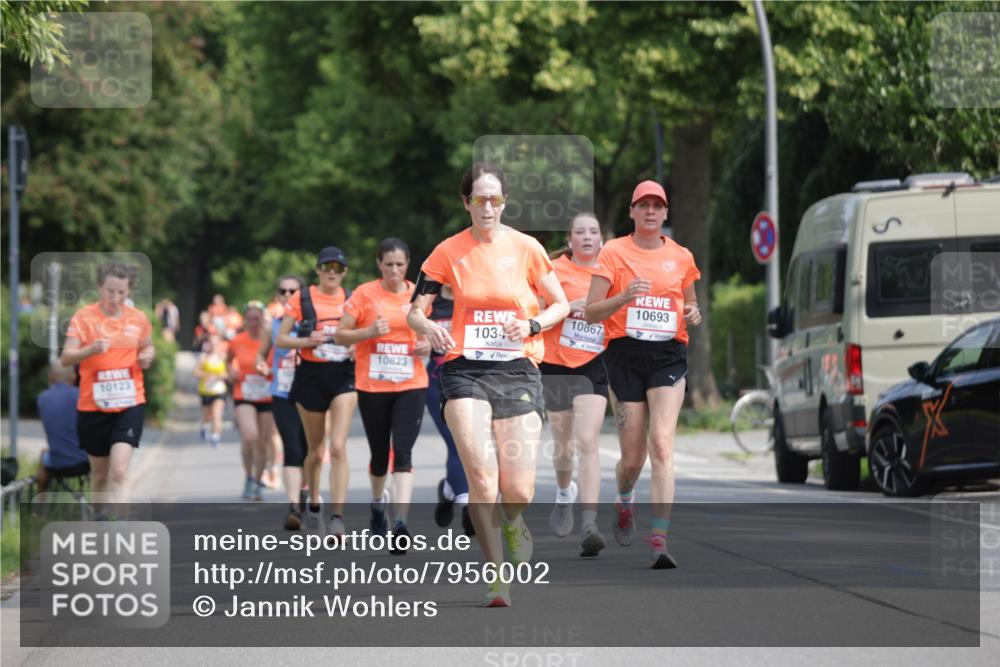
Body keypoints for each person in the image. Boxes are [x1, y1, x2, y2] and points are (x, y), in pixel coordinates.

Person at [407, 163, 570, 607]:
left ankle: (514, 519)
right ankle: (497, 577)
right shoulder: (447, 252)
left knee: (518, 489)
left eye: (495, 199)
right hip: (463, 369)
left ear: (505, 203)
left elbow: (562, 303)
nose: (488, 206)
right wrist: (428, 328)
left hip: (516, 368)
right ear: (466, 203)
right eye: (479, 199)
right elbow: (413, 310)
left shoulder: (527, 248)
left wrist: (533, 324)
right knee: (482, 476)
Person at [584, 180, 702, 569]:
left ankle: (659, 540)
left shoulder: (682, 256)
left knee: (662, 445)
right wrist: (623, 297)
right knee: (632, 459)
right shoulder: (613, 252)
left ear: (666, 213)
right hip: (624, 355)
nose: (651, 211)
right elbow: (591, 310)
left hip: (668, 355)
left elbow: (691, 305)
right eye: (643, 205)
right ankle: (624, 498)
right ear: (632, 212)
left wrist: (694, 313)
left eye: (658, 205)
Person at [334, 238, 431, 554]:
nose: (394, 270)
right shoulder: (364, 294)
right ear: (379, 264)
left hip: (411, 384)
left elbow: (429, 332)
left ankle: (400, 523)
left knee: (402, 453)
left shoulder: (418, 295)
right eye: (388, 264)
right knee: (379, 456)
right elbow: (339, 335)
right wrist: (367, 333)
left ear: (408, 265)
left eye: (400, 264)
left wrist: (427, 345)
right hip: (373, 386)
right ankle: (378, 504)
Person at [539, 213, 609, 556]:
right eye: (579, 232)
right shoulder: (554, 271)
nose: (586, 237)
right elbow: (536, 309)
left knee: (587, 440)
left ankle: (590, 523)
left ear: (601, 239)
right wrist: (568, 307)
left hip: (595, 363)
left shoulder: (610, 271)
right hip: (557, 363)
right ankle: (564, 493)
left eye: (592, 232)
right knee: (563, 443)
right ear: (569, 240)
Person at [60, 262, 155, 507]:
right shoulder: (84, 317)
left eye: (121, 292)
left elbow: (147, 346)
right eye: (110, 291)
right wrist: (90, 349)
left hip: (130, 403)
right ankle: (100, 522)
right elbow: (66, 357)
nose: (115, 297)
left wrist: (147, 356)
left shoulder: (138, 318)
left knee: (120, 471)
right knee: (100, 475)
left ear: (129, 291)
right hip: (93, 406)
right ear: (99, 287)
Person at [277, 247, 357, 537]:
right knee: (316, 450)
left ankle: (337, 517)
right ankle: (313, 503)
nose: (332, 272)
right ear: (318, 270)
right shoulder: (303, 297)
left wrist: (355, 345)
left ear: (344, 272)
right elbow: (281, 339)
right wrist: (306, 340)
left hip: (343, 376)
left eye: (337, 267)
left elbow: (362, 335)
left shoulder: (352, 299)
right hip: (311, 376)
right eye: (327, 267)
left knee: (337, 446)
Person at [256, 275, 309, 530]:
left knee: (309, 449)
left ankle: (305, 492)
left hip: (311, 394)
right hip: (282, 393)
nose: (287, 295)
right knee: (291, 448)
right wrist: (261, 362)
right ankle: (293, 508)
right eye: (283, 291)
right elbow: (262, 353)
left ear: (301, 294)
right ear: (277, 295)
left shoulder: (310, 323)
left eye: (293, 291)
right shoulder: (273, 326)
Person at [427, 285, 475, 537]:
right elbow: (413, 331)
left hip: (470, 377)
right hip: (437, 379)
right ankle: (466, 504)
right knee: (455, 441)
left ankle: (448, 489)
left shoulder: (472, 299)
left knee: (471, 443)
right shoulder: (429, 304)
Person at [228, 301, 275, 501]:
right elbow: (227, 360)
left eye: (258, 319)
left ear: (263, 320)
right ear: (245, 320)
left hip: (267, 394)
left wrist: (270, 371)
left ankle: (257, 482)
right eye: (250, 319)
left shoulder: (272, 340)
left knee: (263, 442)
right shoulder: (237, 340)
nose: (254, 323)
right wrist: (230, 371)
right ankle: (248, 477)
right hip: (244, 394)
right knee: (249, 436)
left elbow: (281, 364)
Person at [35, 363, 90, 494]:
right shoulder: (82, 395)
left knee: (44, 454)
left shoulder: (42, 398)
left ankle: (39, 507)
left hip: (57, 462)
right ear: (74, 376)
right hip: (85, 462)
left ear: (50, 377)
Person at [195, 333, 227, 447]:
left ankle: (216, 437)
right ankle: (204, 427)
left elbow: (228, 373)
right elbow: (196, 372)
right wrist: (207, 375)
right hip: (206, 390)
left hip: (219, 390)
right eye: (211, 343)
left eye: (216, 343)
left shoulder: (223, 357)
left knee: (217, 413)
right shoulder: (204, 357)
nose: (214, 345)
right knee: (207, 415)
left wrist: (221, 376)